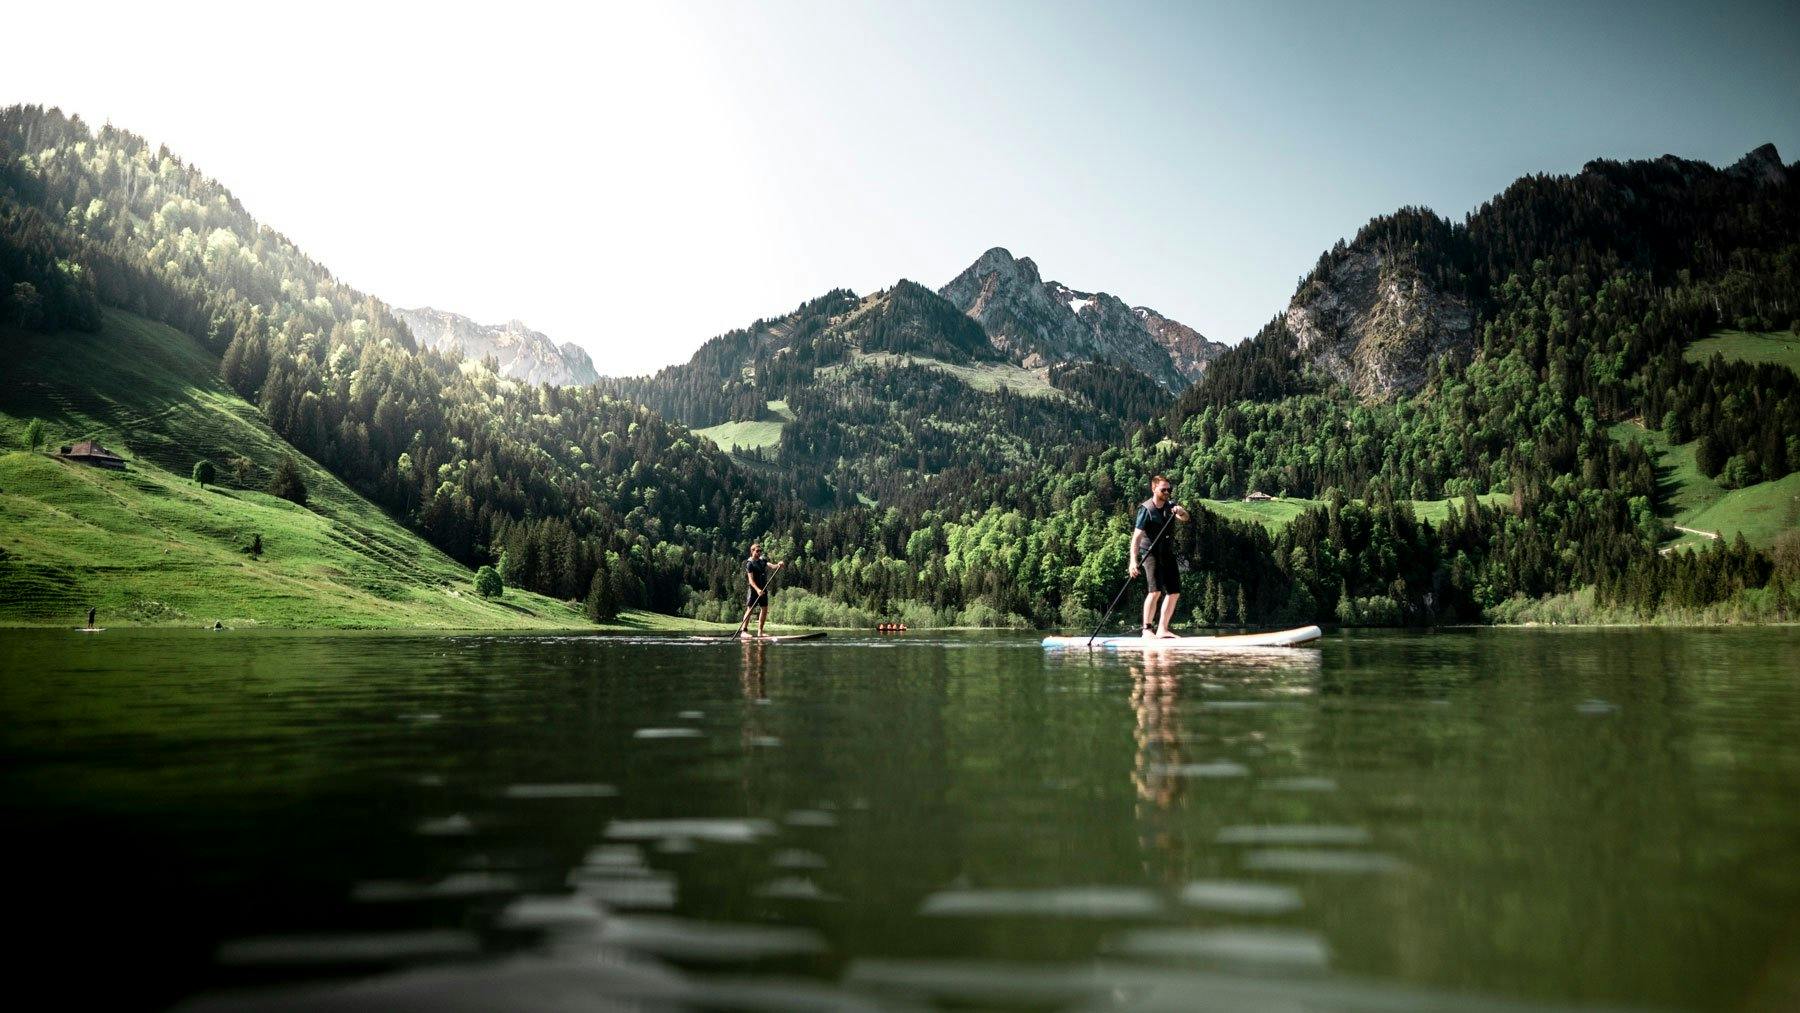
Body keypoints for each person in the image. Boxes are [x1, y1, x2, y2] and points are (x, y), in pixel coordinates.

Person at [1127, 475, 1190, 638]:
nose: (1167, 492)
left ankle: (1162, 629)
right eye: (1164, 489)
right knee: (1155, 592)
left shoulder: (1171, 506)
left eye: (1169, 489)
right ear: (1154, 489)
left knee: (1174, 592)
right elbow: (1136, 537)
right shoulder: (1146, 509)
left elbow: (1185, 518)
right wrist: (1133, 561)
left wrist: (1181, 511)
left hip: (1167, 552)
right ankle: (1146, 630)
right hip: (1150, 553)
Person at [736, 542, 785, 639]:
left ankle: (760, 632)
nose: (759, 553)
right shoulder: (749, 564)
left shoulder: (762, 560)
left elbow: (771, 566)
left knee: (764, 609)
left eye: (760, 551)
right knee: (750, 610)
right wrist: (758, 590)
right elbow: (750, 580)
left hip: (763, 589)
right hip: (754, 590)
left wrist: (778, 565)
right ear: (752, 551)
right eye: (757, 551)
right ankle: (744, 631)